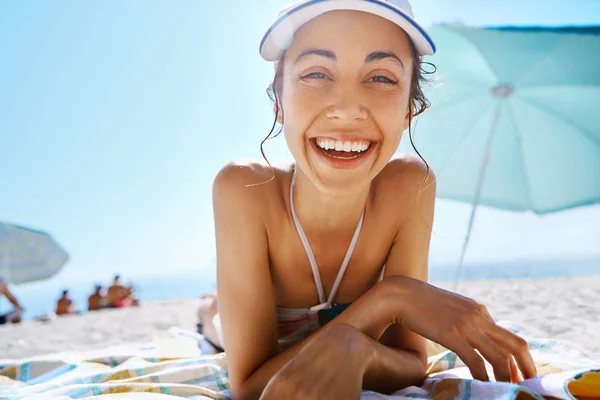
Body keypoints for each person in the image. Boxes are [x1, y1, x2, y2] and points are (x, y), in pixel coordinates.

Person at [198, 1, 538, 398]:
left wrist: (354, 347)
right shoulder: (245, 190)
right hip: (224, 324)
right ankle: (208, 307)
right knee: (215, 317)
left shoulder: (409, 186)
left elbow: (412, 362)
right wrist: (390, 298)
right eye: (315, 73)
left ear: (410, 109)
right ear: (278, 101)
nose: (347, 109)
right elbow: (251, 388)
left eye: (380, 78)